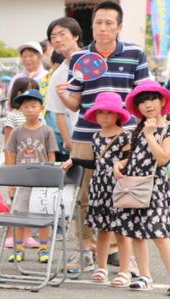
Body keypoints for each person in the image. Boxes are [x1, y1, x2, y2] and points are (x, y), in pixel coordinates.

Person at [56, 1, 150, 273]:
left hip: (125, 138)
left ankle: (120, 254)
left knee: (124, 194)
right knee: (85, 195)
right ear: (92, 25)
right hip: (86, 136)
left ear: (119, 27)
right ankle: (85, 249)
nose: (103, 28)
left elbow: (143, 94)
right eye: (98, 22)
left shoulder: (134, 53)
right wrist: (64, 94)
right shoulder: (80, 58)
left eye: (109, 23)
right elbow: (75, 104)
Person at [61, 92, 134, 287]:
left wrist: (121, 165)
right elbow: (96, 163)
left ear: (118, 114)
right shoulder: (96, 137)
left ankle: (124, 271)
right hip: (99, 187)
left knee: (120, 231)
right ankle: (101, 267)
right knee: (102, 230)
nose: (104, 116)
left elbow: (131, 161)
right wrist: (75, 160)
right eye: (100, 112)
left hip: (118, 188)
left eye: (109, 113)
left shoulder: (125, 136)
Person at [114, 81, 170, 292]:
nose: (148, 105)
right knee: (136, 232)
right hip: (134, 185)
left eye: (152, 99)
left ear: (162, 101)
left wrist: (150, 134)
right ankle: (145, 276)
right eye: (142, 102)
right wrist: (119, 164)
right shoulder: (136, 129)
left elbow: (163, 158)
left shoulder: (166, 129)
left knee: (159, 234)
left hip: (154, 186)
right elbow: (131, 157)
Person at [4, 89, 58, 263]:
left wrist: (51, 179)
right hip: (22, 181)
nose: (29, 109)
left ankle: (44, 248)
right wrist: (11, 180)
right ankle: (18, 248)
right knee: (19, 215)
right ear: (20, 110)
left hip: (42, 182)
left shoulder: (47, 131)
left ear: (41, 108)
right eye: (25, 106)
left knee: (42, 216)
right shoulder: (17, 131)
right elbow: (10, 154)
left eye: (33, 106)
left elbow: (52, 156)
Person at [45, 17, 84, 163]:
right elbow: (59, 112)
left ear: (76, 36)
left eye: (62, 34)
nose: (57, 39)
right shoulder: (57, 75)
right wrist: (68, 141)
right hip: (79, 136)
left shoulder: (93, 61)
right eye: (53, 37)